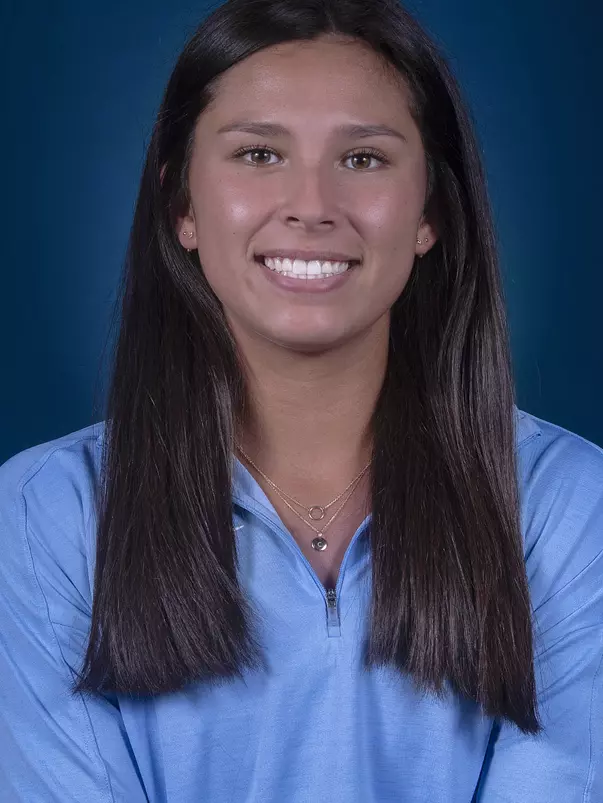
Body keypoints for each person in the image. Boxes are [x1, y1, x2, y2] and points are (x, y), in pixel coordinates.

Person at [1, 0, 601, 800]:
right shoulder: (45, 515)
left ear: (428, 212)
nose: (311, 205)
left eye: (362, 160)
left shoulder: (569, 507)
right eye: (257, 154)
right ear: (180, 203)